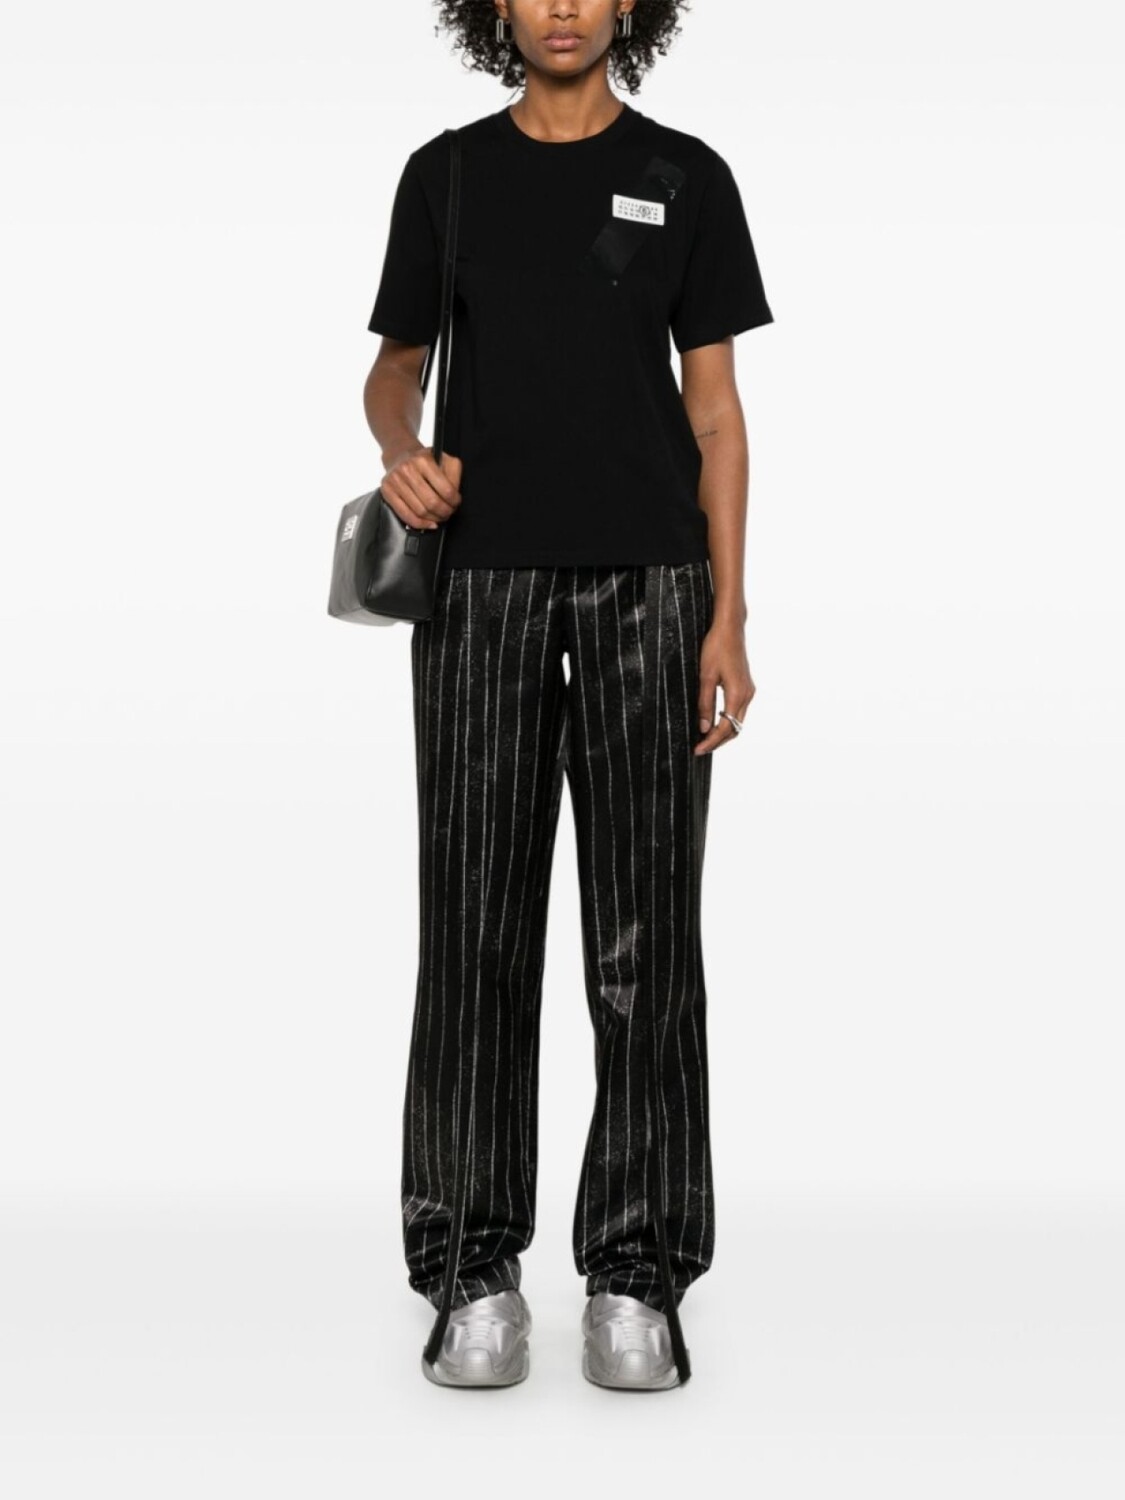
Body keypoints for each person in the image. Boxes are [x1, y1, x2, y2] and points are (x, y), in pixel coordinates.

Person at [363, 0, 773, 1390]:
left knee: (646, 942)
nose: (559, 6)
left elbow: (714, 412)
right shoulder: (447, 175)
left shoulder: (686, 177)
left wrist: (728, 611)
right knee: (473, 930)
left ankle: (637, 1278)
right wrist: (400, 447)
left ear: (627, 7)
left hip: (653, 586)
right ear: (492, 6)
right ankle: (471, 1274)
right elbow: (394, 369)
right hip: (479, 590)